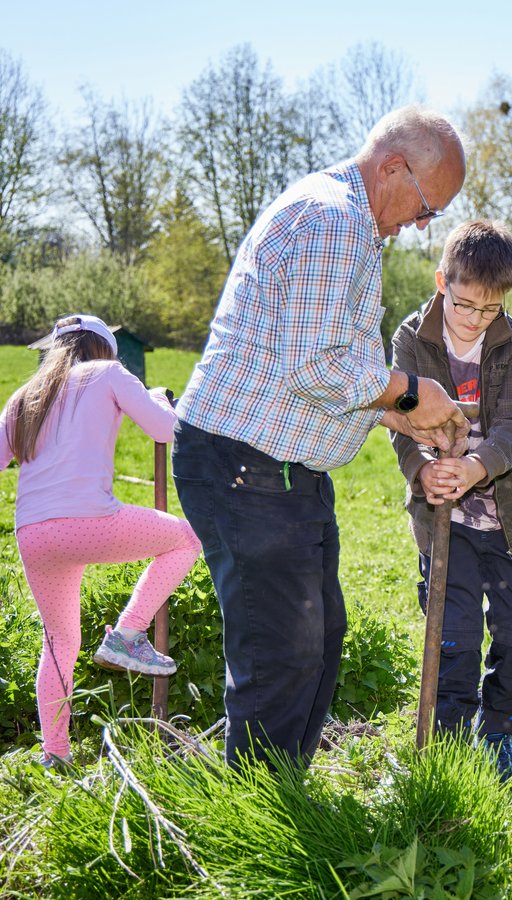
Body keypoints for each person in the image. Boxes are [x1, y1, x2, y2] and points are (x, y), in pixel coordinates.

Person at [172, 106, 470, 772]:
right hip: (247, 468)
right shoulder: (335, 220)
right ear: (394, 166)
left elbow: (319, 376)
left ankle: (281, 798)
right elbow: (318, 367)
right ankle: (257, 825)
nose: (422, 227)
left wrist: (399, 415)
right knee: (280, 654)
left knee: (315, 639)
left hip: (271, 468)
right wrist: (414, 394)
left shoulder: (343, 220)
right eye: (426, 207)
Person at [0, 315, 201, 769]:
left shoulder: (25, 396)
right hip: (88, 520)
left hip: (33, 533)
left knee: (58, 644)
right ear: (105, 349)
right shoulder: (109, 373)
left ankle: (57, 755)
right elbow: (164, 429)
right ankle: (129, 632)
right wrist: (153, 400)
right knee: (185, 538)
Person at [390, 219, 512, 785]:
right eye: (465, 304)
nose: (476, 318)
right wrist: (422, 471)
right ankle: (449, 740)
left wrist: (477, 466)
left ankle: (497, 733)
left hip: (506, 520)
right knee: (452, 637)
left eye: (491, 309)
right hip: (442, 522)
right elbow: (400, 422)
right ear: (441, 283)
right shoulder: (412, 339)